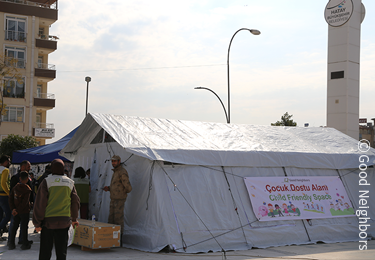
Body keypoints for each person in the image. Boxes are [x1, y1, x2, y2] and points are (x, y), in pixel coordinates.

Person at [33, 159, 80, 260]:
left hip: (48, 223)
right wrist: (74, 218)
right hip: (64, 222)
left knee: (45, 252)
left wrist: (37, 223)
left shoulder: (47, 181)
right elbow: (75, 202)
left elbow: (40, 203)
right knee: (61, 252)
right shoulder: (70, 182)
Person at [103, 155, 132, 238]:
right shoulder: (116, 172)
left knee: (118, 219)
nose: (113, 163)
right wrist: (109, 188)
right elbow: (117, 185)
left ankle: (119, 239)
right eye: (112, 161)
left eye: (115, 161)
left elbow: (128, 187)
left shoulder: (122, 172)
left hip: (119, 199)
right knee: (111, 220)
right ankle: (112, 239)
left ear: (119, 161)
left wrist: (122, 193)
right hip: (113, 199)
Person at [9, 160, 34, 245]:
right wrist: (13, 209)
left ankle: (21, 240)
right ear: (22, 167)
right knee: (15, 225)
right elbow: (11, 195)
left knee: (20, 226)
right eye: (28, 166)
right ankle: (13, 242)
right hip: (20, 209)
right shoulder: (15, 178)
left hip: (17, 209)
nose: (30, 168)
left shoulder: (27, 178)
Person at [0, 155, 11, 240]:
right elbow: (3, 183)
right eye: (9, 161)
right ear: (6, 162)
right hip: (3, 196)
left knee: (0, 215)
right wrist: (9, 193)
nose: (9, 163)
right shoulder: (5, 170)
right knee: (8, 215)